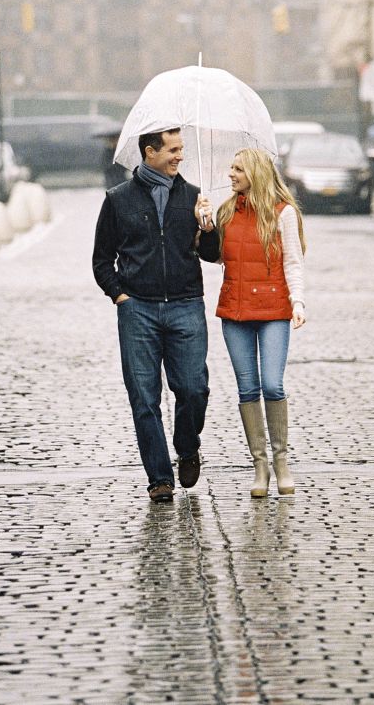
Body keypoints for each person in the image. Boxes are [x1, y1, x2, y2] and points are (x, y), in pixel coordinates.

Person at [92, 128, 218, 503]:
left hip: (186, 305)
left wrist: (208, 227)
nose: (180, 156)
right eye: (174, 149)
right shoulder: (118, 200)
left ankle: (187, 444)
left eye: (181, 149)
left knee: (194, 388)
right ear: (150, 152)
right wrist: (120, 296)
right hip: (138, 310)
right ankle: (160, 477)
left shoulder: (194, 196)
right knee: (144, 397)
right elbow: (102, 259)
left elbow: (212, 254)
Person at [215, 148, 306, 497]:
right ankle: (260, 467)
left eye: (238, 169)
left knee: (273, 384)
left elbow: (294, 262)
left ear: (255, 172)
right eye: (231, 168)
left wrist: (298, 301)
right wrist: (205, 228)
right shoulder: (226, 211)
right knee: (247, 389)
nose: (231, 174)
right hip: (235, 313)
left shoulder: (282, 214)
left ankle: (281, 460)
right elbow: (213, 256)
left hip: (273, 311)